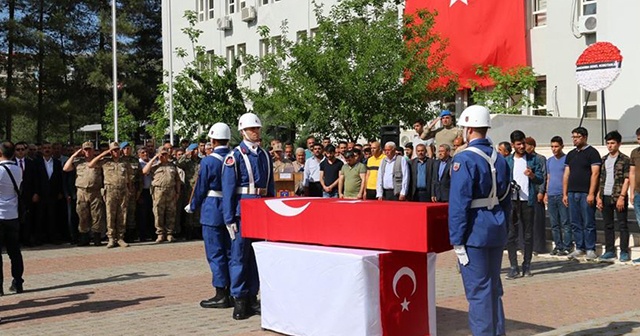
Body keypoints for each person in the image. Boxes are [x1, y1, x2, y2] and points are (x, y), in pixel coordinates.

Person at [448, 105, 511, 336]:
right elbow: (506, 199)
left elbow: (459, 203)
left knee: (478, 292)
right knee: (494, 289)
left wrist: (456, 239)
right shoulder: (501, 159)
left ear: (470, 128)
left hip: (474, 231)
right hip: (496, 227)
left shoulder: (464, 159)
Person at [221, 112, 274, 320]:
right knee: (239, 256)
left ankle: (253, 296)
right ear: (242, 131)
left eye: (257, 128)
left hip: (261, 210)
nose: (256, 132)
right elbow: (228, 191)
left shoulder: (264, 155)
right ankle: (240, 299)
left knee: (256, 256)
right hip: (242, 211)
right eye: (252, 129)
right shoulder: (234, 157)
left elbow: (270, 186)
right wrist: (229, 219)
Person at [187, 123, 235, 309]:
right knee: (231, 252)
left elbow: (201, 187)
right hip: (231, 209)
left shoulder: (208, 161)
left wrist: (192, 205)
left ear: (213, 140)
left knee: (215, 253)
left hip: (213, 209)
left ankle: (220, 293)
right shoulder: (234, 157)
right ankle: (233, 291)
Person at [504, 131, 544, 279]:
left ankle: (527, 265)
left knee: (528, 234)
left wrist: (532, 175)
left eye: (523, 143)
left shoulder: (533, 160)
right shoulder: (507, 161)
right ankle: (513, 266)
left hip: (528, 201)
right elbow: (501, 180)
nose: (522, 146)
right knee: (511, 234)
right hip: (512, 201)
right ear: (513, 144)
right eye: (518, 144)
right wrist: (510, 186)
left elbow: (540, 179)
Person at [564, 127, 601, 261]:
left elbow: (595, 174)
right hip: (572, 193)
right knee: (575, 222)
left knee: (588, 222)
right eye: (573, 137)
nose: (574, 139)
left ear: (585, 137)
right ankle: (579, 247)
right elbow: (566, 174)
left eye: (577, 137)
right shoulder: (571, 154)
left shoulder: (592, 153)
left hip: (585, 193)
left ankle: (590, 248)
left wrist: (591, 193)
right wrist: (565, 193)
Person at [88, 142, 133, 248]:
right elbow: (91, 165)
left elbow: (129, 177)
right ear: (110, 151)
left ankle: (120, 238)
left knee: (122, 214)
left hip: (123, 191)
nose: (116, 152)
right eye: (113, 150)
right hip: (110, 191)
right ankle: (111, 238)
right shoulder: (105, 162)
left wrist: (129, 190)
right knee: (110, 215)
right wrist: (104, 154)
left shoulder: (125, 162)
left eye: (117, 149)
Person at [596, 131, 630, 262]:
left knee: (622, 224)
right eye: (608, 143)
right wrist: (599, 196)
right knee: (607, 224)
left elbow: (627, 179)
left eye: (612, 143)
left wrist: (622, 196)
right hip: (605, 195)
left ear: (619, 144)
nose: (610, 146)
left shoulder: (625, 159)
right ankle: (609, 250)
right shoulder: (603, 159)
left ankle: (624, 251)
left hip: (618, 196)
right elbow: (600, 179)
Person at [63, 141, 105, 247]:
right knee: (82, 215)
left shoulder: (99, 161)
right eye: (85, 149)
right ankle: (84, 238)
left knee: (97, 215)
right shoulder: (78, 161)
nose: (87, 151)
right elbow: (66, 168)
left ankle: (96, 238)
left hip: (95, 191)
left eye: (89, 149)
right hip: (82, 191)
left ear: (93, 150)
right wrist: (74, 155)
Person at [0, 141, 25, 295]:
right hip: (13, 215)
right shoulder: (18, 169)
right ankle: (18, 281)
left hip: (0, 214)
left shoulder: (0, 170)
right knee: (14, 251)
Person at [142, 147, 181, 243]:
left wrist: (177, 192)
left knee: (171, 213)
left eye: (165, 154)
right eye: (162, 154)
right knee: (158, 213)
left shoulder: (172, 166)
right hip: (158, 192)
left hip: (171, 191)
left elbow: (177, 180)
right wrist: (154, 158)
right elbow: (144, 171)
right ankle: (160, 234)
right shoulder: (155, 166)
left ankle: (169, 233)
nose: (164, 156)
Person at [32, 142, 64, 245]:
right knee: (40, 217)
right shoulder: (36, 162)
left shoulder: (57, 163)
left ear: (52, 150)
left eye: (49, 148)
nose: (47, 150)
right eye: (45, 148)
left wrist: (60, 192)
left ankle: (53, 238)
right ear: (41, 150)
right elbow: (34, 179)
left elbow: (59, 179)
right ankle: (39, 239)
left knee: (53, 217)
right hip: (40, 194)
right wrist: (36, 192)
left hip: (53, 194)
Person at [544, 136, 572, 255]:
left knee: (565, 222)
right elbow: (548, 177)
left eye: (556, 146)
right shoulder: (549, 160)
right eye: (552, 147)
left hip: (562, 194)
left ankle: (567, 246)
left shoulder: (567, 159)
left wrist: (565, 194)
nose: (554, 149)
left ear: (562, 146)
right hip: (551, 195)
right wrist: (546, 192)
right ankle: (558, 246)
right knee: (554, 223)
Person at [524, 136, 548, 255]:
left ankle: (538, 246)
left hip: (536, 192)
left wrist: (541, 192)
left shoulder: (539, 159)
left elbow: (543, 176)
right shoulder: (524, 159)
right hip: (526, 194)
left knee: (538, 221)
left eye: (526, 145)